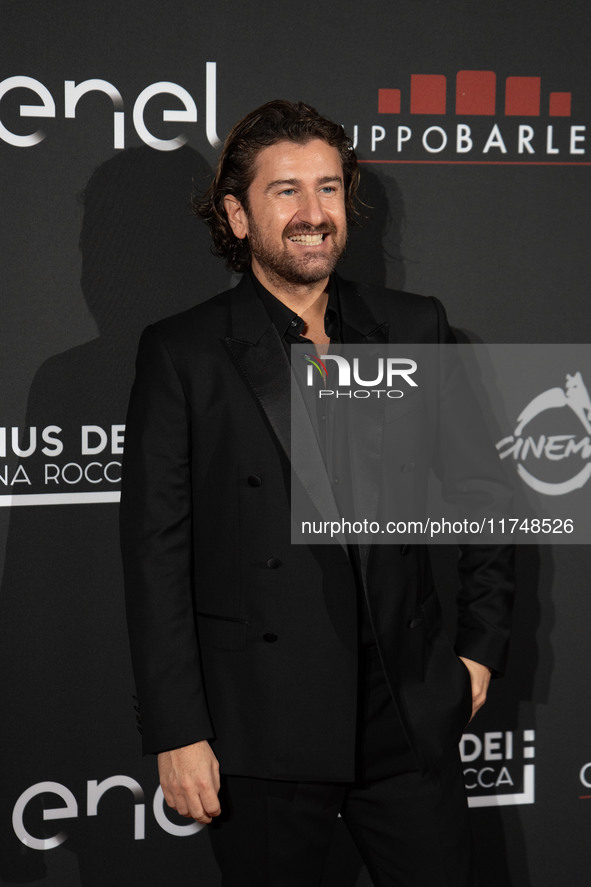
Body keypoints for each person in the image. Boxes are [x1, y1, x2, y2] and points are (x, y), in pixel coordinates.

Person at [120, 100, 514, 886]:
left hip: (403, 715)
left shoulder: (412, 325)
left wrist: (476, 653)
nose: (313, 215)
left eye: (328, 189)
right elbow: (154, 554)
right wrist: (177, 729)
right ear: (236, 215)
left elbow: (483, 489)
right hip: (260, 724)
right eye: (285, 191)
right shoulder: (183, 352)